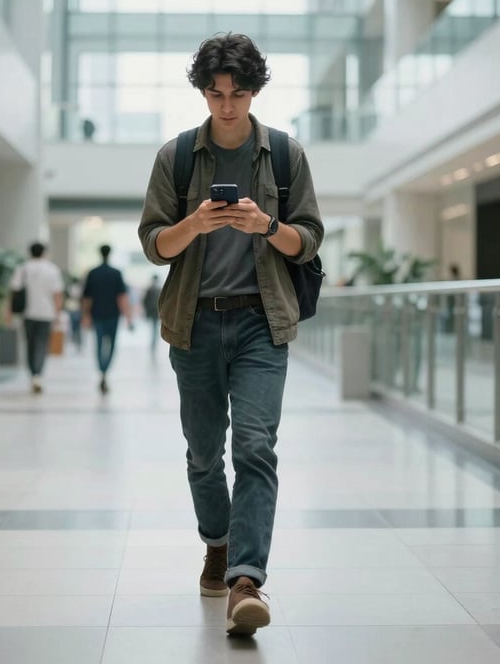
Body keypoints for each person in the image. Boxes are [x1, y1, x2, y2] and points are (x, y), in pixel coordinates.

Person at [138, 32, 323, 636]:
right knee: (201, 454)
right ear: (202, 92)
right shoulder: (178, 157)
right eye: (215, 94)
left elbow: (309, 240)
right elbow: (155, 246)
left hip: (260, 322)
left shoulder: (287, 157)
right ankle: (216, 542)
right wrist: (194, 222)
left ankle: (246, 579)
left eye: (237, 94)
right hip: (193, 322)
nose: (226, 106)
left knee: (254, 445)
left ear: (255, 91)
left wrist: (265, 224)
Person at [9, 242, 64, 394]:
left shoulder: (23, 268)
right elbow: (57, 294)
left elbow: (14, 291)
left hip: (28, 313)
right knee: (41, 345)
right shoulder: (52, 269)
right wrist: (58, 314)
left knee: (30, 345)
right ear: (44, 253)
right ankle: (38, 375)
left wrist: (8, 313)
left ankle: (33, 374)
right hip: (47, 314)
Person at [81, 244, 133, 394]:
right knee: (111, 345)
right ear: (110, 254)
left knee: (98, 344)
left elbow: (87, 297)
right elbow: (122, 297)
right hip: (113, 315)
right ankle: (105, 372)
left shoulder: (93, 273)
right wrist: (128, 317)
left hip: (97, 314)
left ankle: (101, 371)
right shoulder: (116, 273)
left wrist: (85, 315)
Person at [142, 274, 161, 354]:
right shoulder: (152, 290)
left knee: (154, 328)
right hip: (154, 312)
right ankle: (153, 343)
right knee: (154, 328)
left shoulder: (156, 289)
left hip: (156, 312)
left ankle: (154, 343)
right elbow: (145, 301)